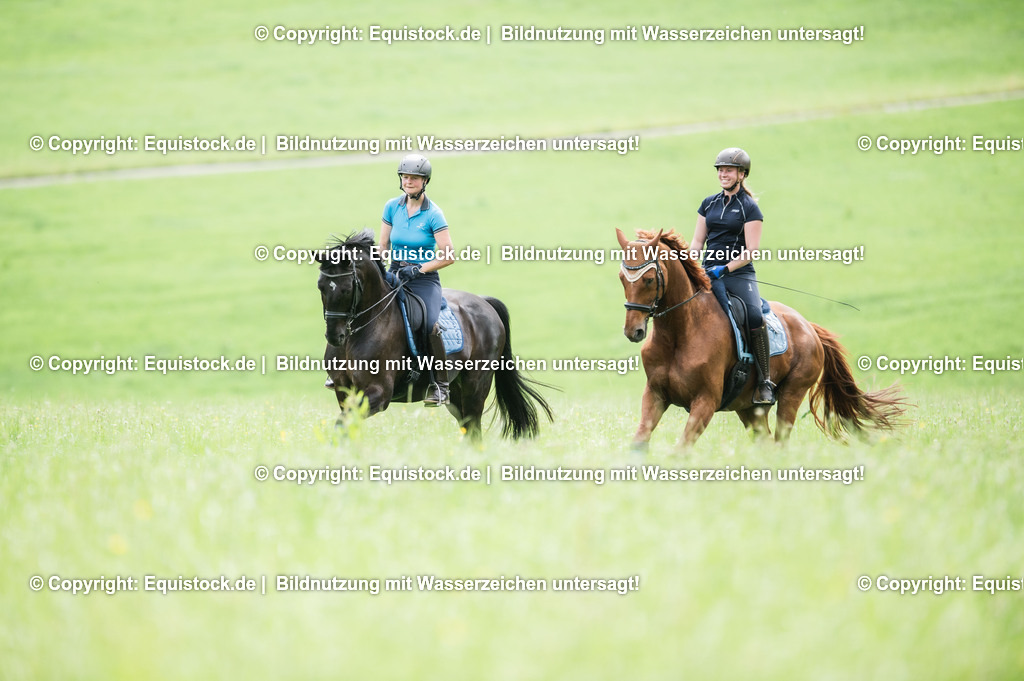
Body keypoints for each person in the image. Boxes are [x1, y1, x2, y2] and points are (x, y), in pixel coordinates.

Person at [689, 147, 775, 405]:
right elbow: (697, 241)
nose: (723, 174)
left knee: (753, 315)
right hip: (707, 272)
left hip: (739, 274)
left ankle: (764, 381)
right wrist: (691, 262)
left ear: (741, 174)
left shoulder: (750, 208)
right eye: (720, 170)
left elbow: (751, 251)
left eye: (729, 170)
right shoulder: (708, 204)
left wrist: (725, 269)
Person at [380, 154, 456, 406]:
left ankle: (441, 385)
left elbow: (448, 256)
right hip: (395, 274)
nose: (408, 181)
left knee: (429, 323)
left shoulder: (434, 214)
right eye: (405, 176)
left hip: (423, 280)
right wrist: (379, 270)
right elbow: (383, 246)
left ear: (425, 181)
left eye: (414, 177)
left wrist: (419, 269)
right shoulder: (392, 206)